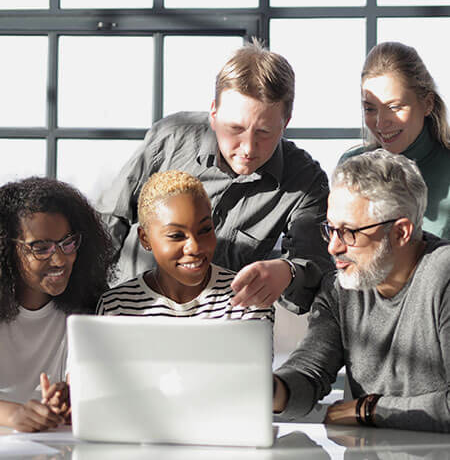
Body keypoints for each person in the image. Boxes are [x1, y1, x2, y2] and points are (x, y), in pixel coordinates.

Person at [97, 40, 334, 314]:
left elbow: (315, 270)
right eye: (235, 129)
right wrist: (90, 299)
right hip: (130, 312)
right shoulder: (171, 138)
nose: (248, 148)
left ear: (286, 123)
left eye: (264, 132)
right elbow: (108, 222)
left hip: (219, 326)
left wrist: (288, 272)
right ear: (213, 113)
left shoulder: (306, 182)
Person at [273, 150, 450, 433]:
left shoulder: (443, 276)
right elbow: (309, 372)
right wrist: (270, 390)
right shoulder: (340, 287)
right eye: (330, 229)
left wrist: (369, 410)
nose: (333, 247)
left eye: (349, 232)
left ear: (401, 233)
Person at [0, 177, 116, 432]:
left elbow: (89, 386)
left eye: (68, 243)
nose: (60, 260)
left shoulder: (90, 304)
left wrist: (70, 398)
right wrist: (12, 415)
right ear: (6, 249)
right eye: (41, 248)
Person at [97, 170, 274, 324]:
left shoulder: (249, 299)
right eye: (176, 235)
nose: (194, 248)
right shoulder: (116, 306)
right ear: (145, 238)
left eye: (205, 230)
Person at [340, 41, 450, 239]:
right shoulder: (351, 166)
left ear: (427, 103)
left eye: (394, 107)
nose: (380, 123)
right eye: (370, 109)